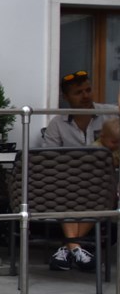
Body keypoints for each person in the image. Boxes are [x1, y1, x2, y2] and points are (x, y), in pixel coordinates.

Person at [41, 70, 119, 270]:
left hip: (103, 184)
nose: (85, 96)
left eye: (88, 90)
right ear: (65, 97)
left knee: (98, 193)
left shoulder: (111, 114)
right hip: (69, 185)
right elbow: (48, 159)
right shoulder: (57, 123)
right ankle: (75, 249)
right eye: (78, 92)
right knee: (64, 190)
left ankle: (69, 247)